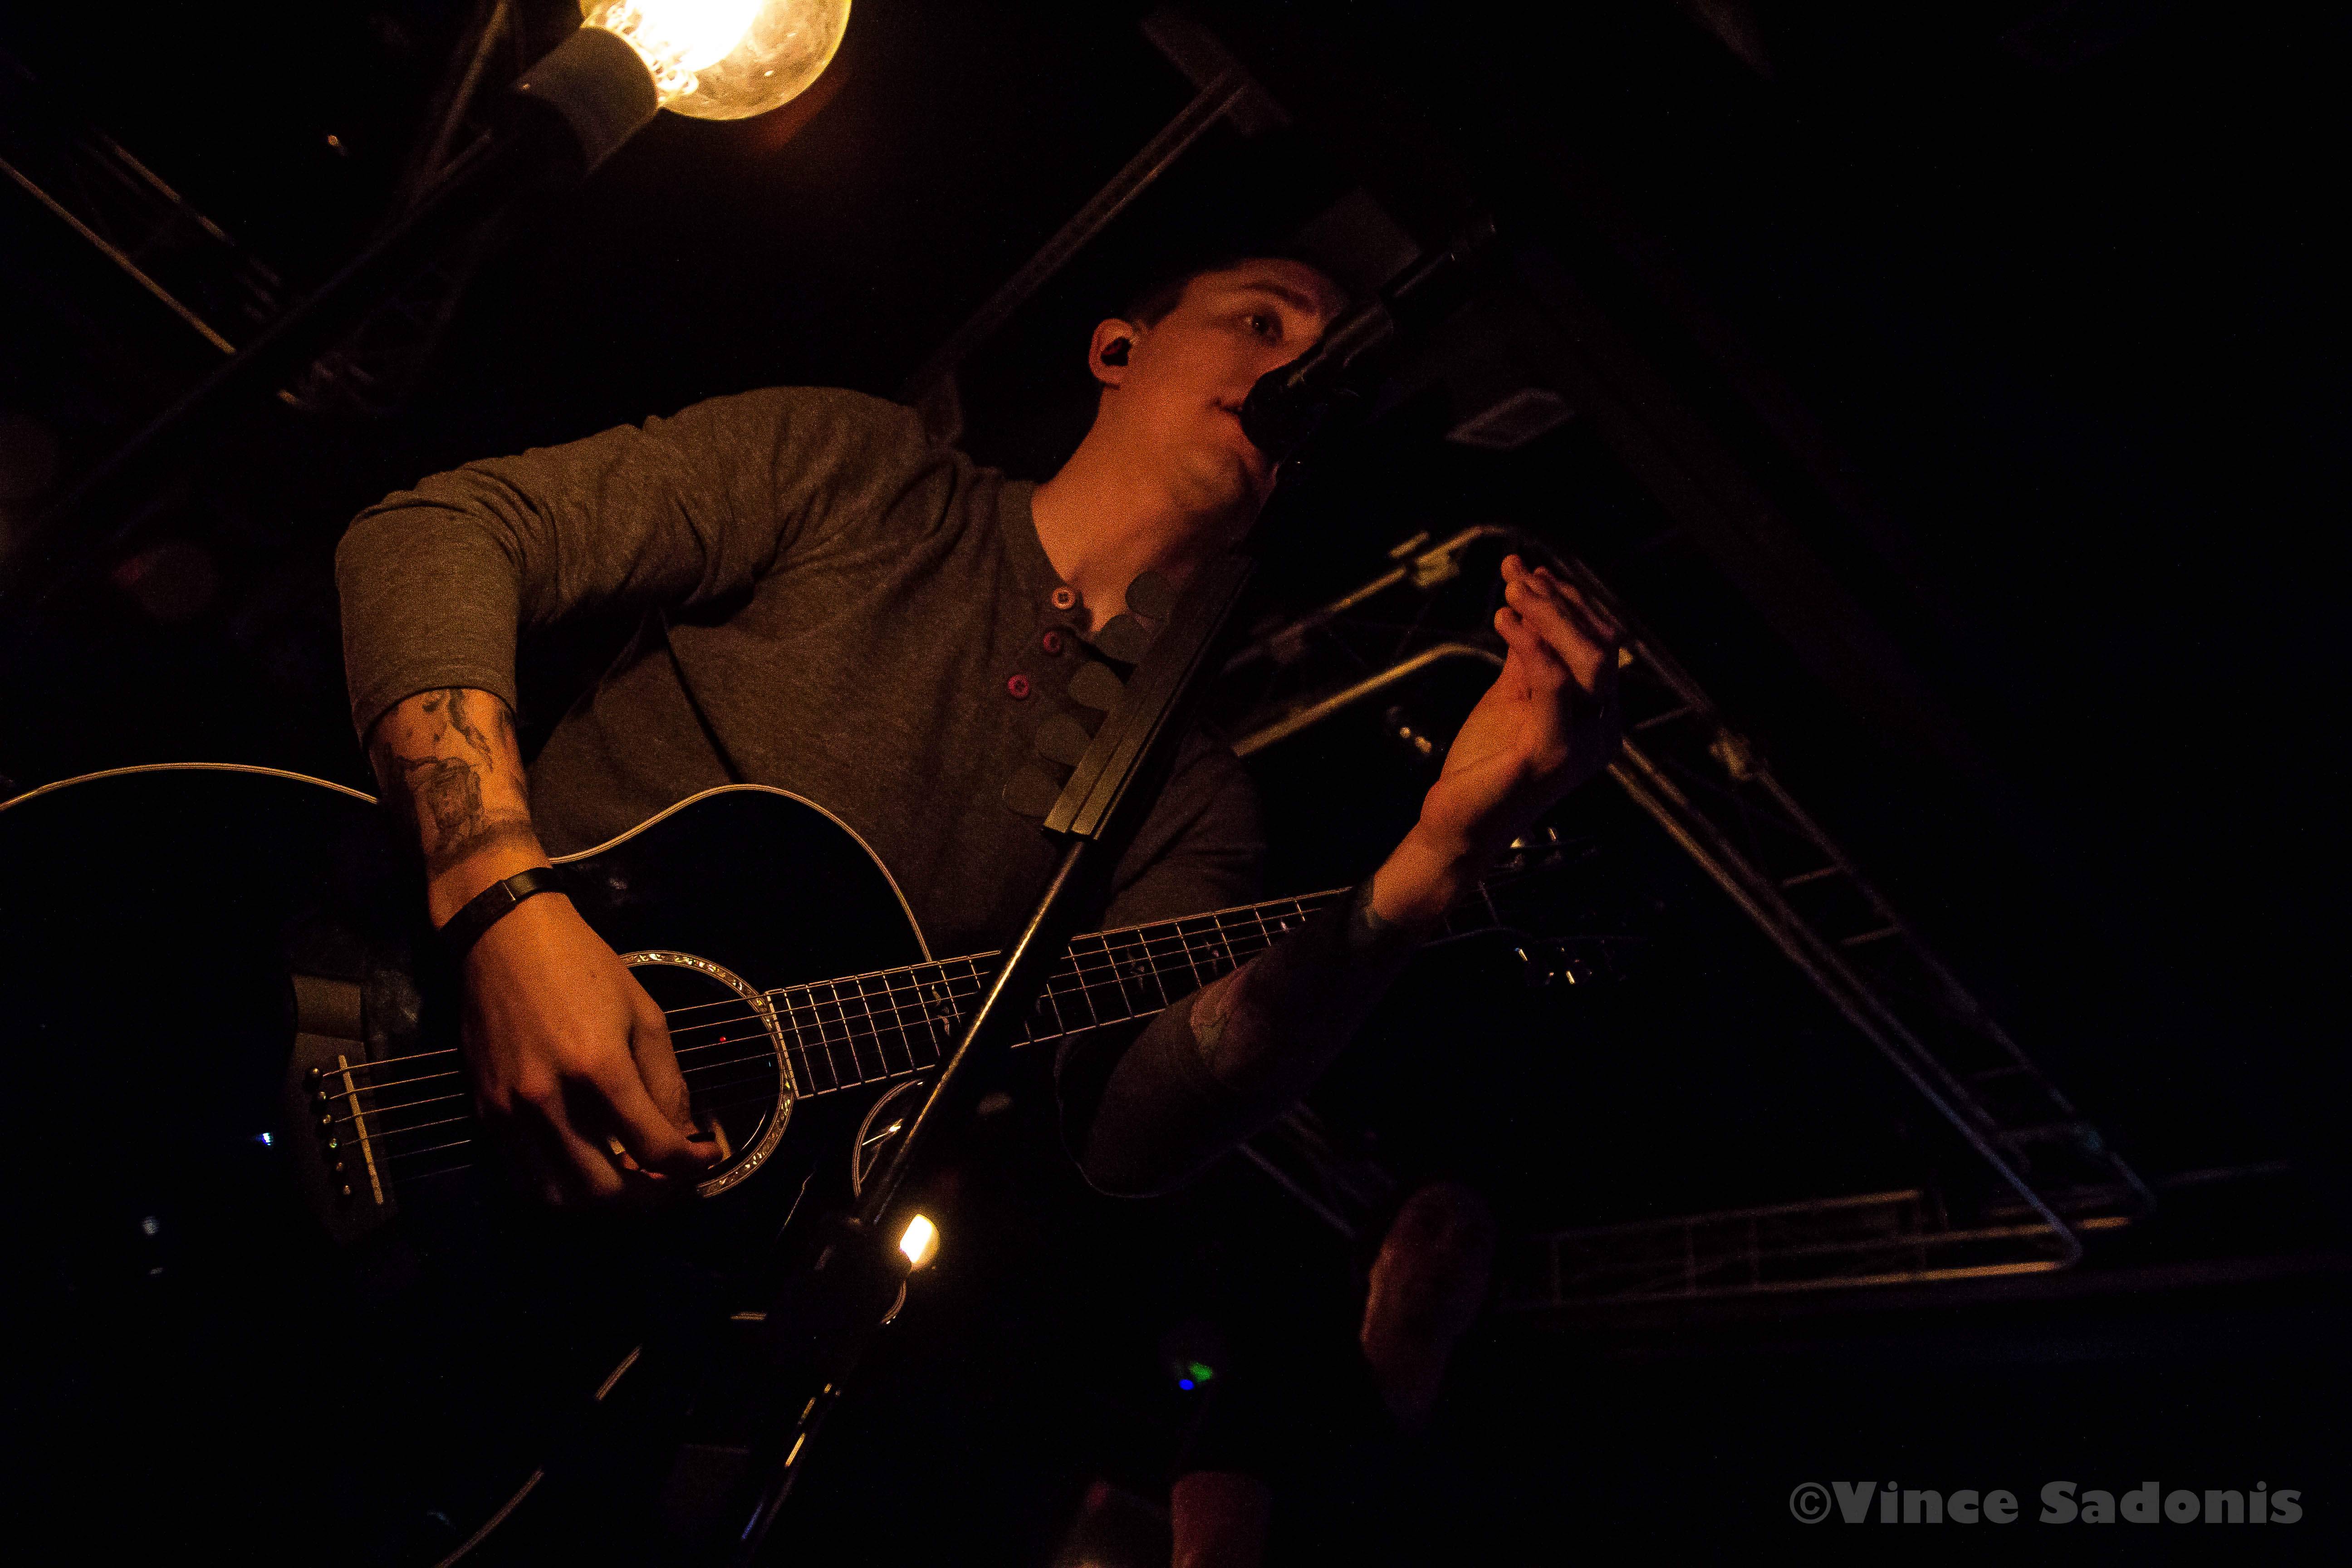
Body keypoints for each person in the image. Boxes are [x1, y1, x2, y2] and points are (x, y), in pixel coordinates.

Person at [335, 255, 1622, 1208]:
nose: (1296, 373)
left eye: (1330, 368)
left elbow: (1131, 1128)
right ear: (1116, 350)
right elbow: (439, 533)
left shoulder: (1191, 800)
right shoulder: (858, 468)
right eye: (1262, 322)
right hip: (370, 1005)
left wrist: (1431, 866)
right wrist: (501, 906)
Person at [1170, 1181, 1499, 1568]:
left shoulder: (1479, 1458)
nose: (1449, 1251)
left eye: (1475, 1243)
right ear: (1374, 1252)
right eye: (1427, 1225)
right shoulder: (1270, 1392)